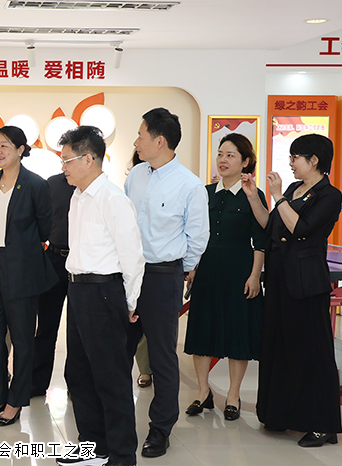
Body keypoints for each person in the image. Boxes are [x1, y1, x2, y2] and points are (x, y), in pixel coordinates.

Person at [242, 133, 342, 447]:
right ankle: (280, 415)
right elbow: (271, 225)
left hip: (306, 283)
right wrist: (253, 197)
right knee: (279, 347)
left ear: (314, 160)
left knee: (312, 352)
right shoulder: (292, 190)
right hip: (279, 279)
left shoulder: (329, 195)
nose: (290, 163)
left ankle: (323, 424)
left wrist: (278, 198)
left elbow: (301, 229)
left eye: (295, 157)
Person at [56, 126, 145, 466]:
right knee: (78, 373)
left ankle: (122, 455)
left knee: (111, 378)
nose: (63, 167)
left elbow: (132, 257)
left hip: (104, 293)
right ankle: (93, 446)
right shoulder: (77, 198)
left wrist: (130, 303)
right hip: (78, 290)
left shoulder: (112, 199)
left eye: (67, 160)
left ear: (89, 159)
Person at [124, 108, 209, 457]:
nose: (136, 141)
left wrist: (176, 270)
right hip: (128, 274)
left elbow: (197, 239)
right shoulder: (135, 176)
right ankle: (117, 422)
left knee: (161, 357)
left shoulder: (189, 185)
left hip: (162, 277)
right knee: (119, 351)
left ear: (159, 141)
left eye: (141, 135)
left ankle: (160, 429)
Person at [0, 125, 58, 426]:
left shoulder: (35, 184)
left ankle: (16, 401)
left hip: (22, 268)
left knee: (22, 340)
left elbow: (45, 227)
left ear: (21, 150)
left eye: (5, 146)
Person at [184, 133, 266, 421]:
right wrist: (192, 267)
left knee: (237, 333)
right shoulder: (204, 192)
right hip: (207, 269)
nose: (222, 159)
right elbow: (195, 234)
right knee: (202, 330)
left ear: (245, 161)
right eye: (220, 153)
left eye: (230, 155)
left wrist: (255, 276)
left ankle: (233, 395)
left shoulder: (253, 194)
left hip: (240, 271)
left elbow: (261, 240)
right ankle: (202, 392)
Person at [30, 169, 75, 397]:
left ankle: (76, 384)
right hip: (54, 259)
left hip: (81, 262)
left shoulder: (92, 184)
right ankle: (38, 382)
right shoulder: (52, 184)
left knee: (77, 329)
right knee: (46, 325)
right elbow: (38, 219)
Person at [127, 150, 153, 389]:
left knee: (157, 325)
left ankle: (154, 369)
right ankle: (144, 369)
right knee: (135, 320)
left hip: (159, 266)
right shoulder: (133, 178)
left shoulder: (179, 182)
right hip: (132, 262)